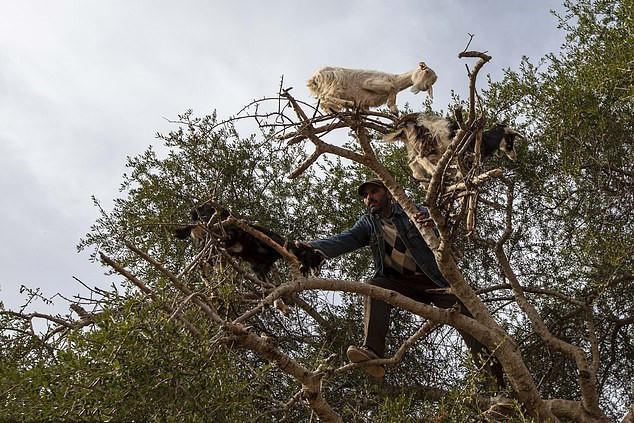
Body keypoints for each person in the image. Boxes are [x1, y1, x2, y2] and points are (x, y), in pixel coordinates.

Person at [302, 178, 505, 388]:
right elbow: (341, 241)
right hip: (401, 284)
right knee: (375, 285)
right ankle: (371, 352)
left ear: (389, 193)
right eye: (365, 195)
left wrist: (434, 223)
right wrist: (306, 249)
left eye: (374, 192)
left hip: (436, 282)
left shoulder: (413, 211)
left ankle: (498, 391)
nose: (369, 198)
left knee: (475, 330)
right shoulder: (368, 224)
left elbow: (446, 227)